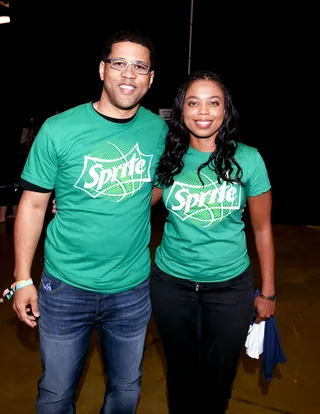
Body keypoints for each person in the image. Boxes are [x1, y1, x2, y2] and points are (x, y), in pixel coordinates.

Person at [11, 29, 168, 414]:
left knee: (126, 390)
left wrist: (120, 199)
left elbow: (159, 187)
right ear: (102, 70)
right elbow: (32, 205)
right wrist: (21, 278)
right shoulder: (59, 129)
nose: (128, 74)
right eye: (119, 63)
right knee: (56, 395)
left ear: (150, 78)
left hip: (131, 290)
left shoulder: (160, 131)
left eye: (139, 66)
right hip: (65, 288)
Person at [149, 70, 276, 413]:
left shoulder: (247, 159)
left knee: (219, 376)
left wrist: (267, 292)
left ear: (225, 110)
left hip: (230, 288)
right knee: (180, 374)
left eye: (213, 102)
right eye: (194, 102)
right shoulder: (169, 158)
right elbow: (132, 205)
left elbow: (262, 230)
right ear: (181, 110)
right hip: (172, 285)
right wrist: (76, 205)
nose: (203, 111)